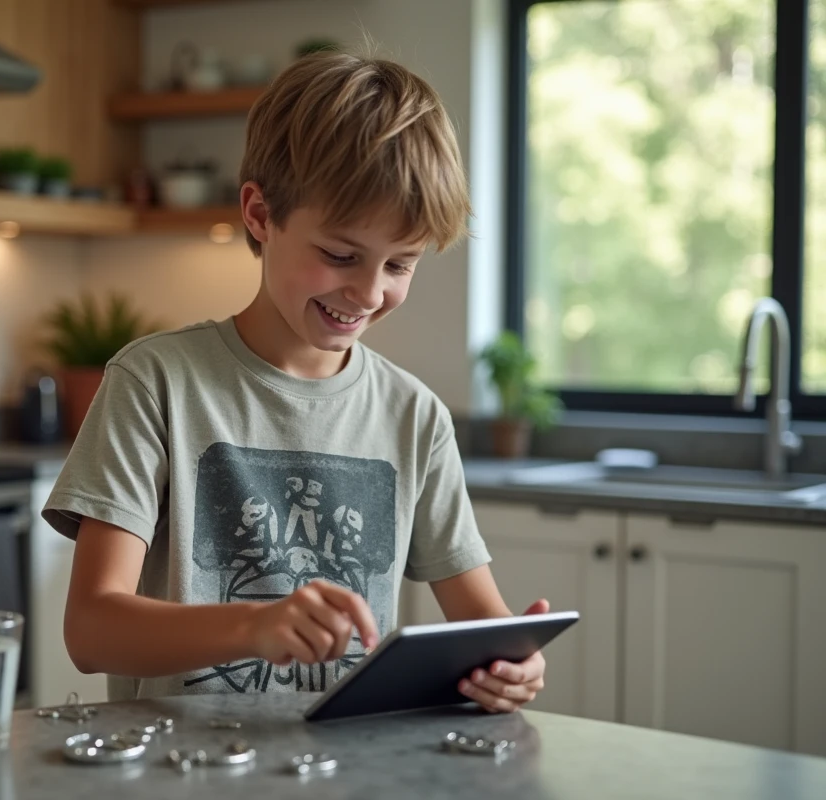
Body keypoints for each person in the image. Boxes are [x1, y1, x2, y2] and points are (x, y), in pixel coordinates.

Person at [42, 50, 549, 712]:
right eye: (341, 255)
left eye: (401, 264)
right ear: (258, 213)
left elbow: (482, 623)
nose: (368, 293)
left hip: (353, 773)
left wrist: (511, 666)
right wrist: (254, 625)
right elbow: (92, 631)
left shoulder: (414, 416)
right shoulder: (155, 383)